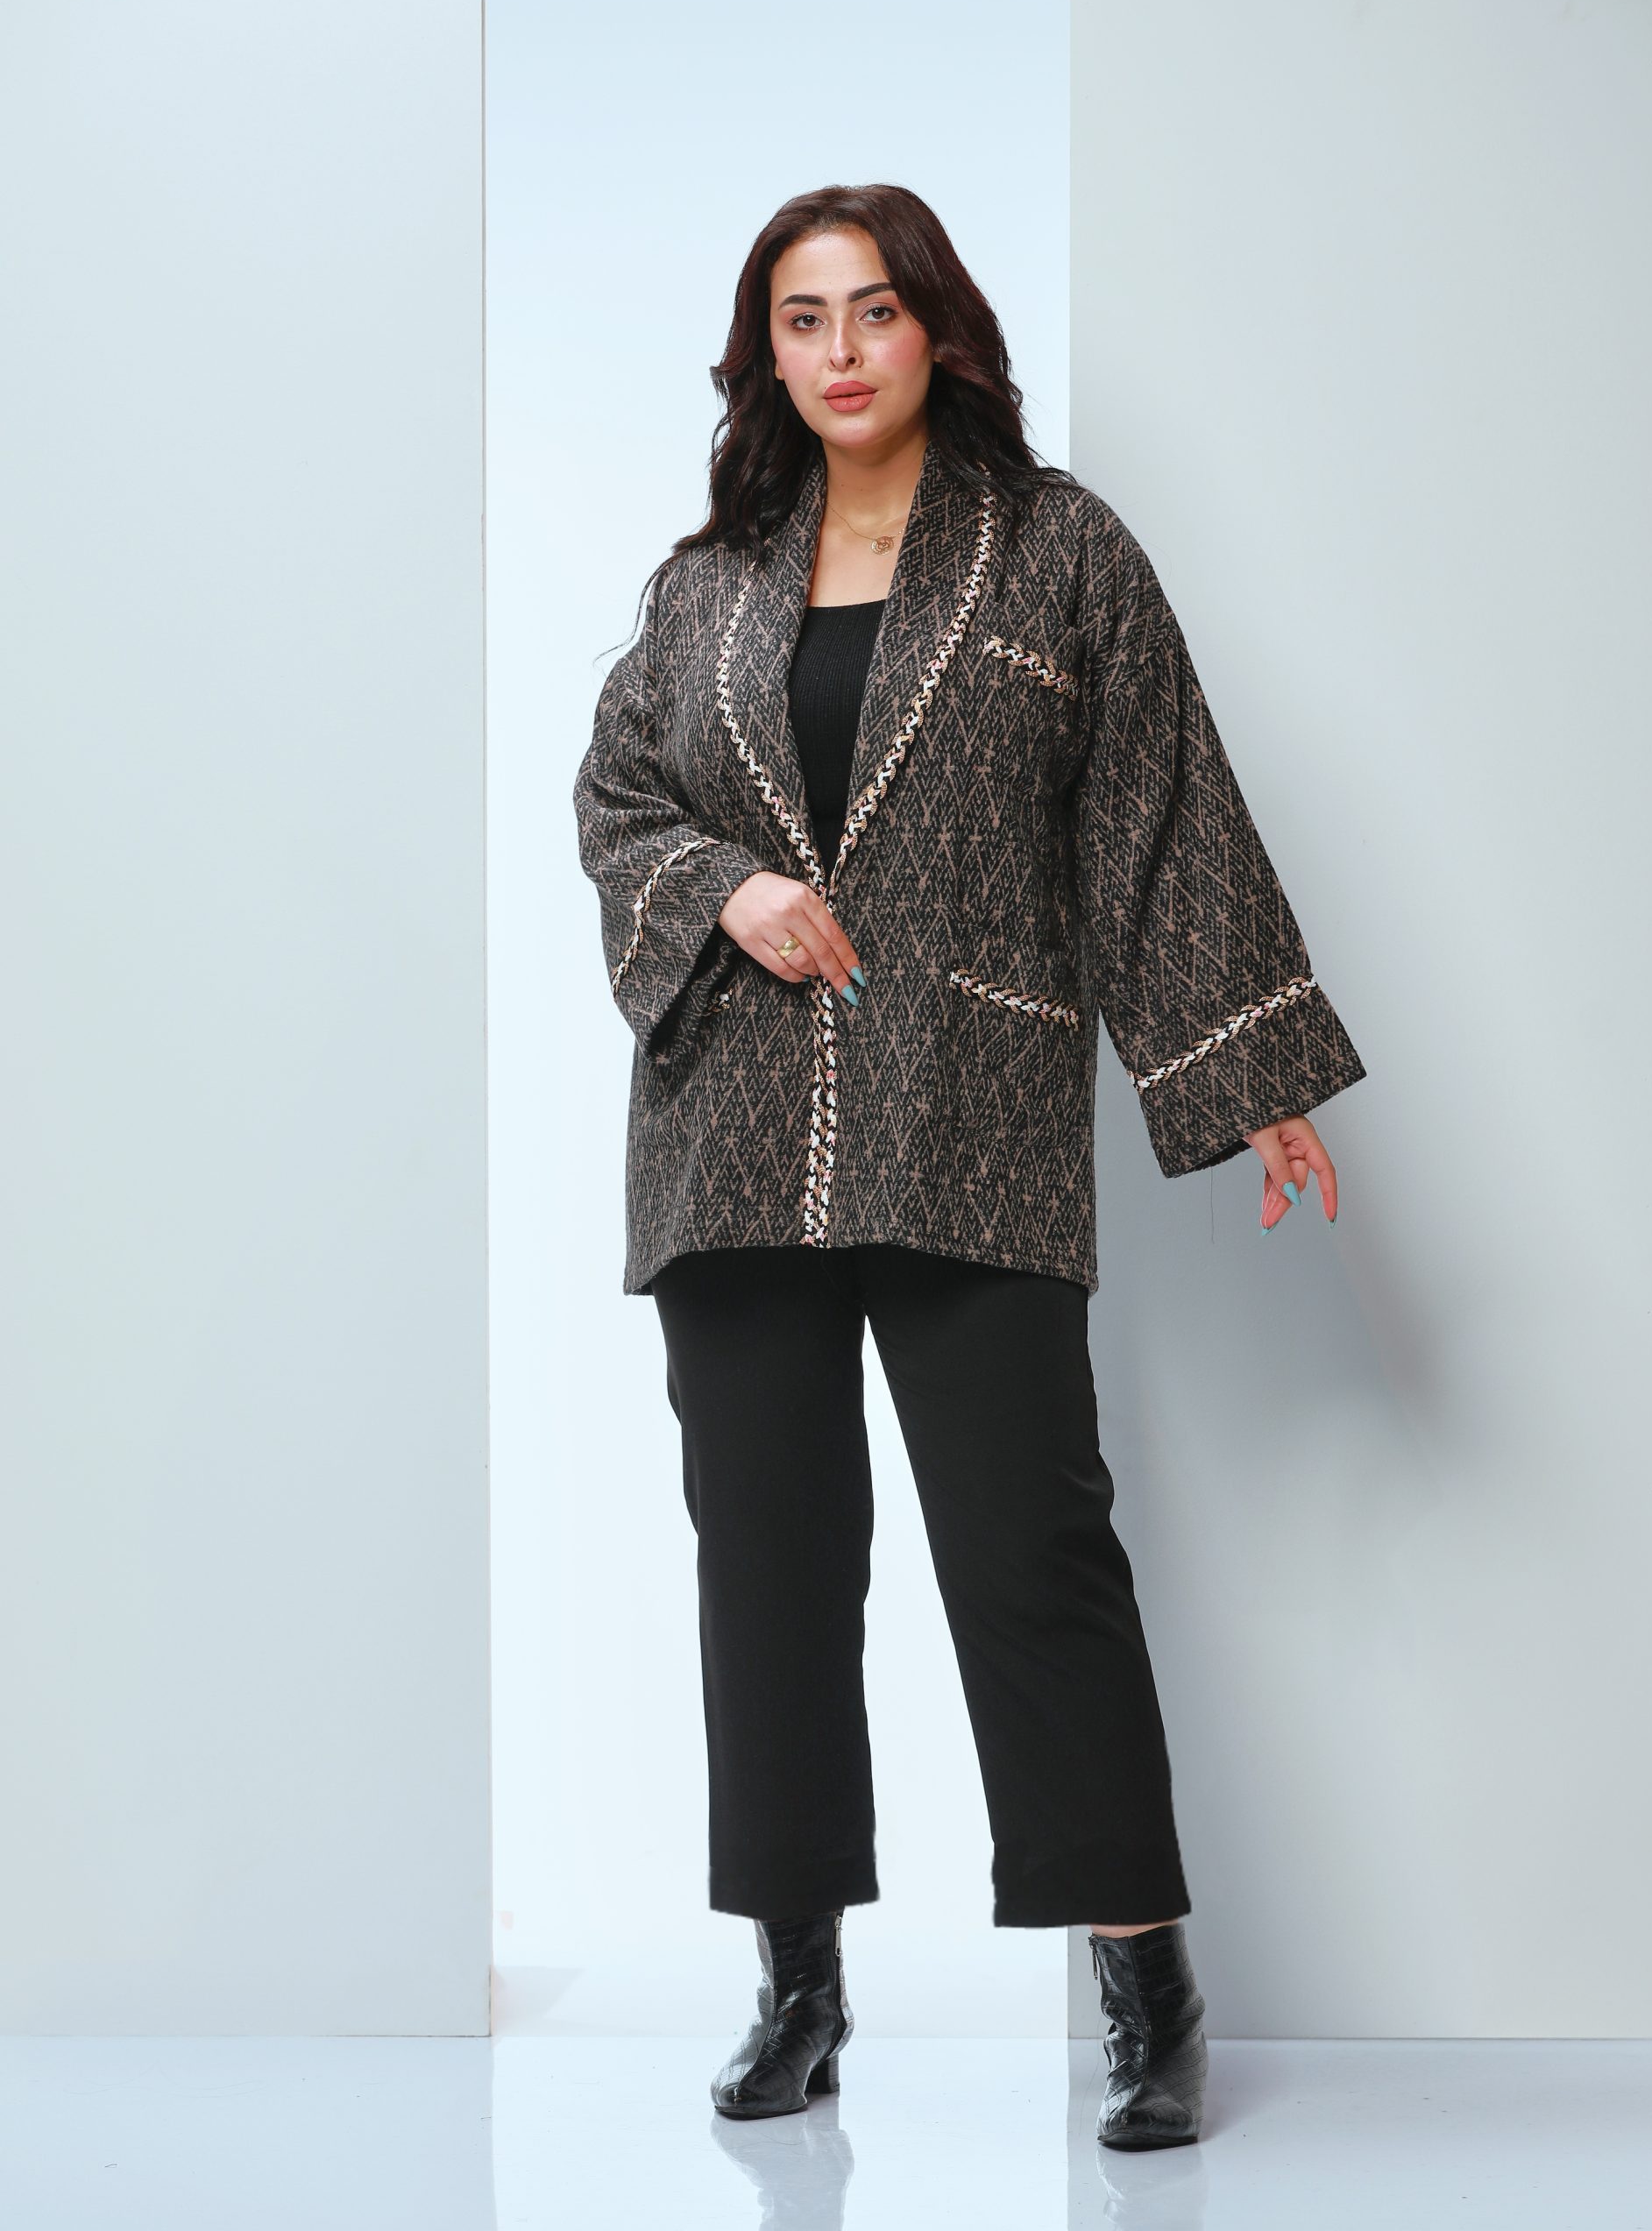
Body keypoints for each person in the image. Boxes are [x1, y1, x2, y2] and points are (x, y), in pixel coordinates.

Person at [572, 182, 1367, 2150]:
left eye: (874, 310)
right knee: (767, 1564)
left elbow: (1156, 813)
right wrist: (727, 885)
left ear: (937, 326)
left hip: (973, 1119)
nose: (840, 350)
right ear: (765, 353)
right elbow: (618, 795)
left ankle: (1146, 1979)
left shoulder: (1057, 549)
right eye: (802, 319)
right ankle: (797, 1982)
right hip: (734, 1138)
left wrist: (1251, 1066)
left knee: (1031, 1552)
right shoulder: (706, 581)